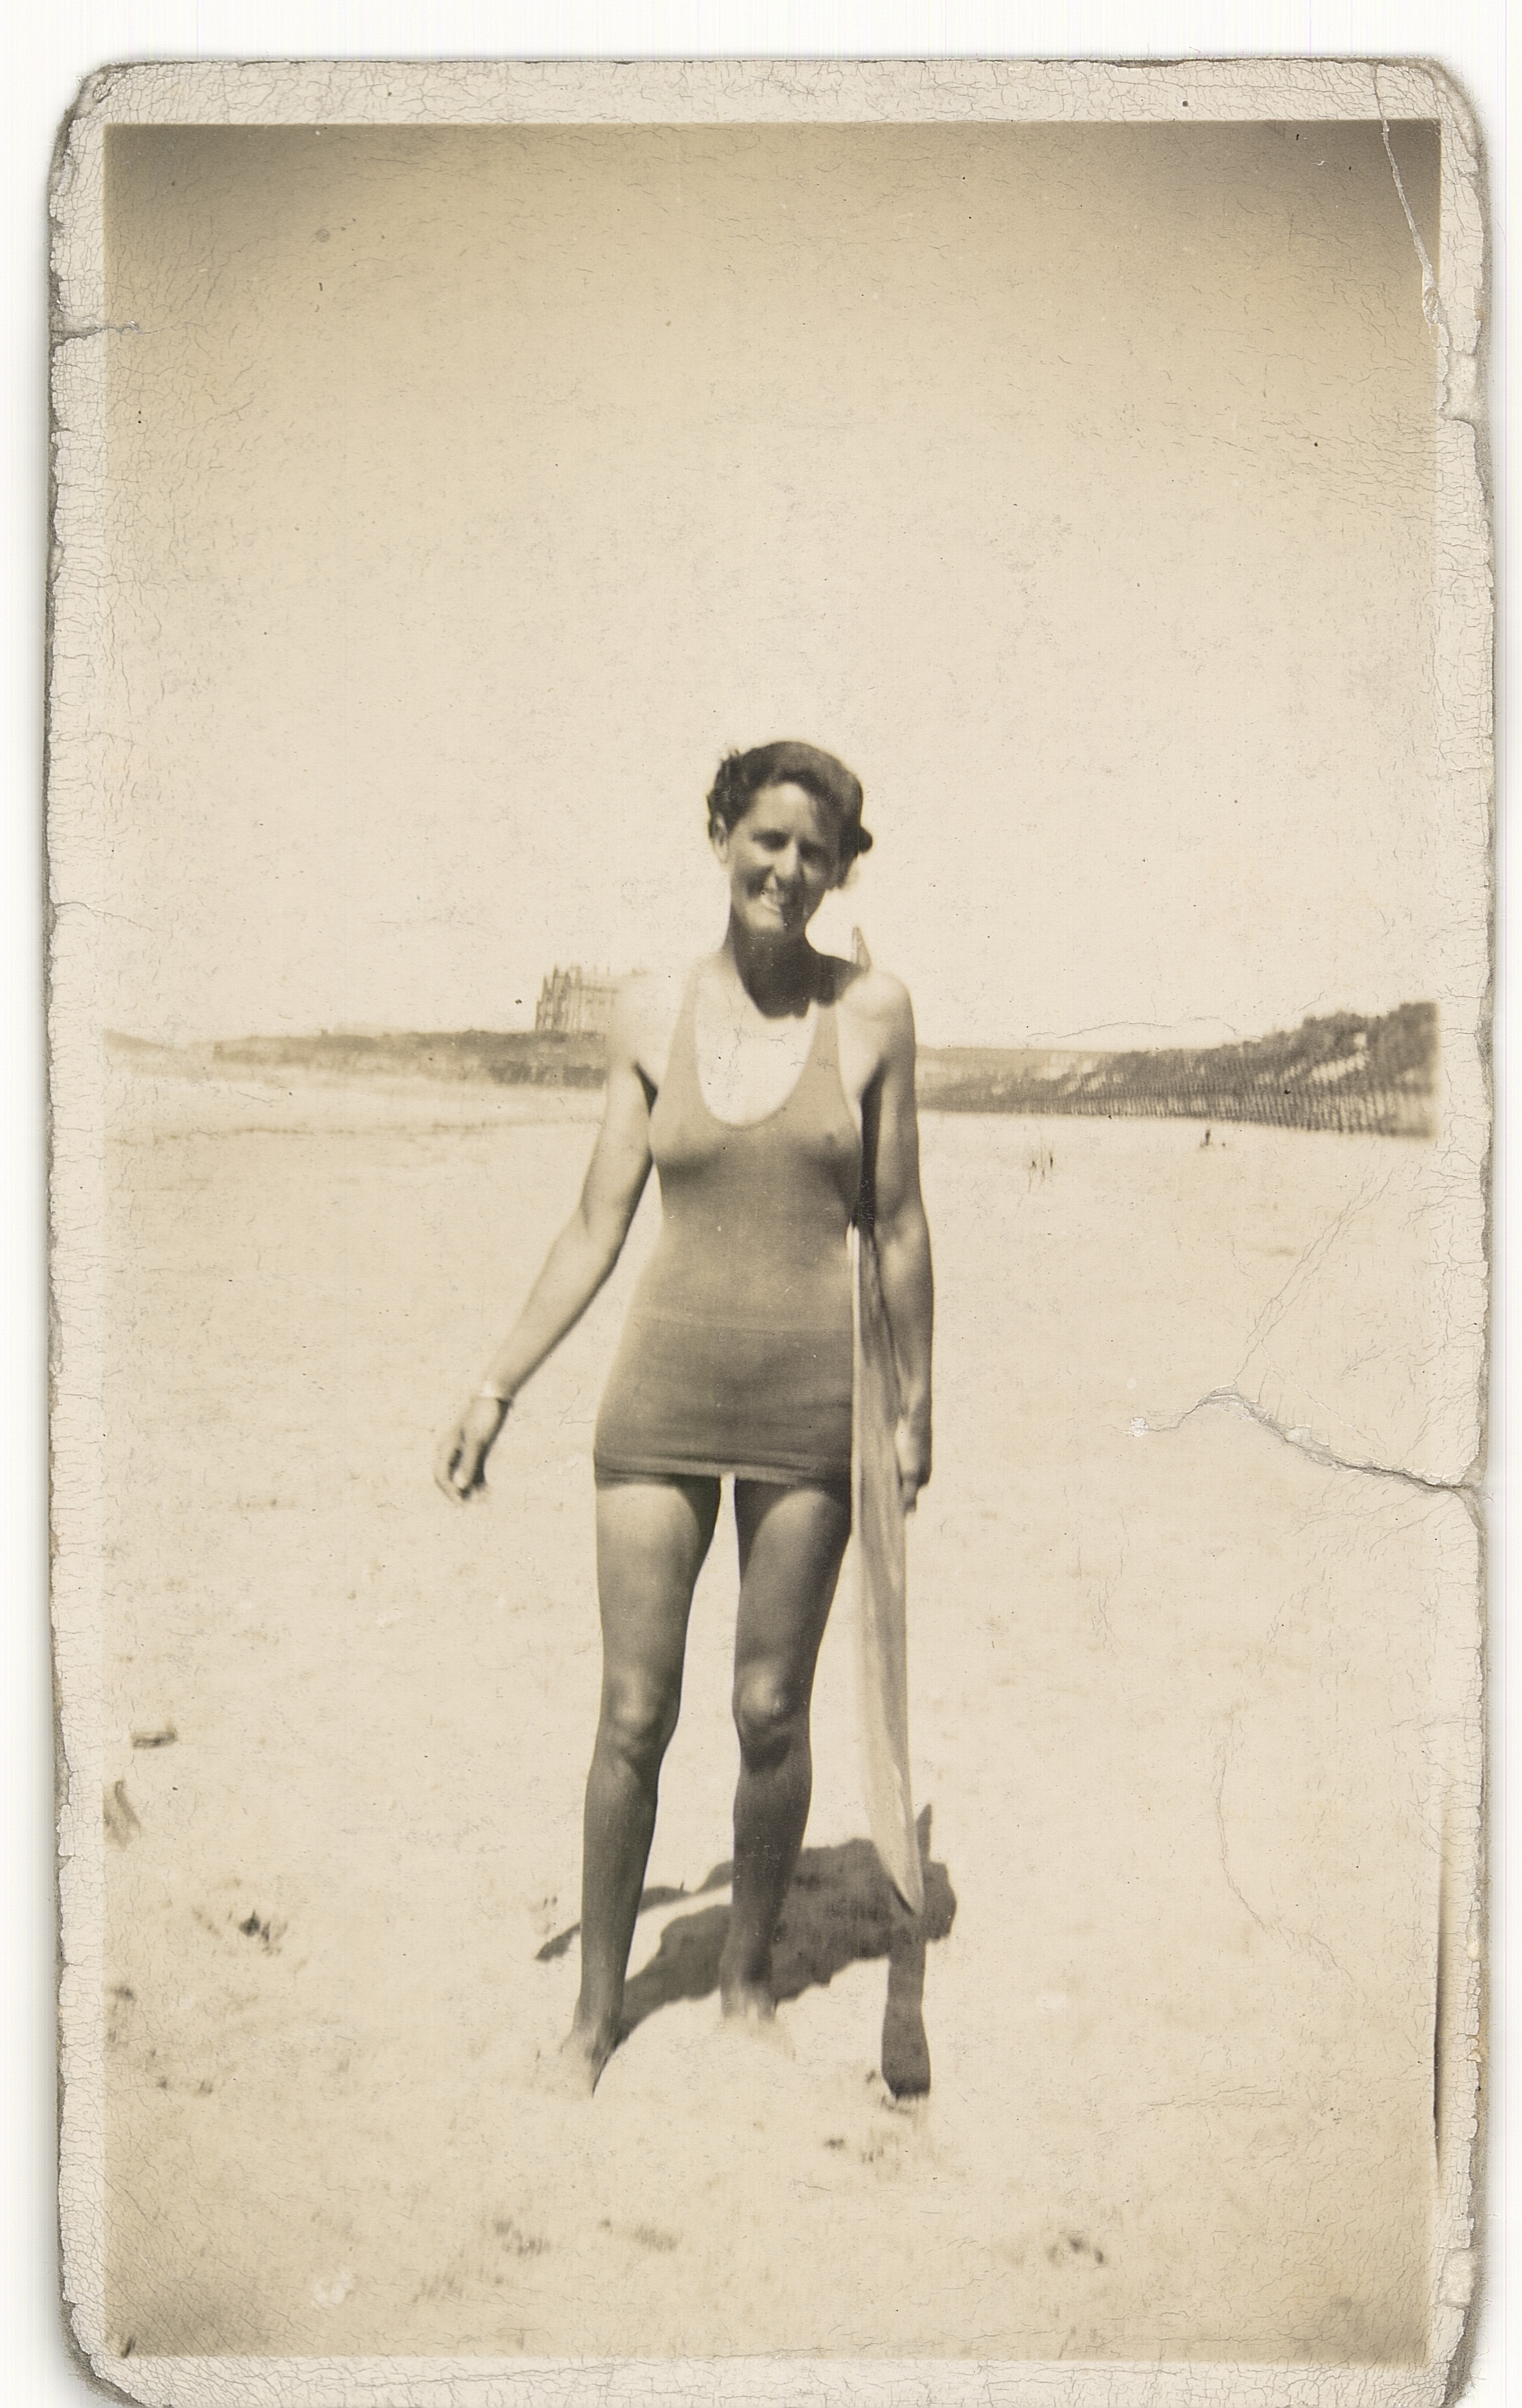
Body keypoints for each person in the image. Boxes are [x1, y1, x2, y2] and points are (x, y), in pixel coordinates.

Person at [434, 741, 934, 2095]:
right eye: (764, 840)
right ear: (721, 837)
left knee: (770, 1706)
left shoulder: (875, 1012)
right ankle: (595, 2014)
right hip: (659, 1393)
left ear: (841, 869)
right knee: (633, 1709)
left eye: (813, 852)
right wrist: (497, 1385)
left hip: (811, 1403)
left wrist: (914, 1406)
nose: (785, 869)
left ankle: (749, 1973)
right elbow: (598, 1219)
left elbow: (895, 1227)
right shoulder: (651, 1008)